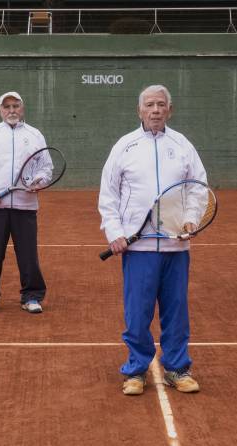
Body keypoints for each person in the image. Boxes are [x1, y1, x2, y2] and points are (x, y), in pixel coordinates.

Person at [98, 84, 206, 396]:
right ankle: (135, 370)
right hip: (138, 247)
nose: (155, 110)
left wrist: (192, 219)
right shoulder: (124, 146)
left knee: (176, 311)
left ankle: (176, 368)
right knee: (137, 313)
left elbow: (198, 187)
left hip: (176, 244)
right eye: (149, 105)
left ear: (169, 110)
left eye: (161, 104)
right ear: (140, 111)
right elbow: (109, 194)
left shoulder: (183, 145)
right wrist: (115, 232)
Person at [0, 91, 48, 315]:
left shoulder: (35, 135)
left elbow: (46, 167)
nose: (12, 110)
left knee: (28, 253)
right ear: (0, 110)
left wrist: (39, 182)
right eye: (7, 107)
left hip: (26, 205)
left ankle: (31, 296)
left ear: (22, 108)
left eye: (16, 106)